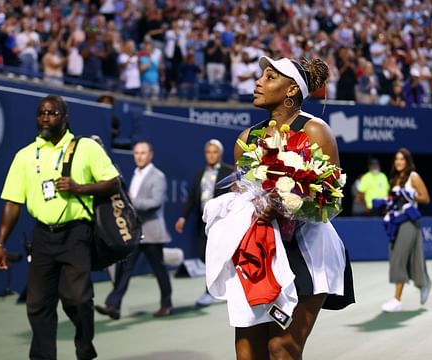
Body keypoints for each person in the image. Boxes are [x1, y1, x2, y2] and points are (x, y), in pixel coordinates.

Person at [229, 56, 355, 359]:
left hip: (307, 251)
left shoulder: (315, 131)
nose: (258, 82)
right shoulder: (246, 139)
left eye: (270, 77)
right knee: (247, 352)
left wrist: (287, 207)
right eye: (261, 76)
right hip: (259, 252)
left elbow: (333, 201)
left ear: (291, 91)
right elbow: (240, 194)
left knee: (282, 348)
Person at [0, 95, 120, 360]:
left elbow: (113, 183)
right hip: (42, 235)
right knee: (37, 305)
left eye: (52, 113)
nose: (45, 118)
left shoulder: (86, 147)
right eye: (41, 113)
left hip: (77, 234)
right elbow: (13, 202)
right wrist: (0, 243)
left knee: (77, 299)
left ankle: (84, 348)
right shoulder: (25, 156)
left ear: (65, 117)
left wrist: (79, 188)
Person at [95, 141, 173, 319]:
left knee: (159, 270)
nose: (139, 156)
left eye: (143, 153)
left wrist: (130, 201)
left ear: (150, 155)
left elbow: (154, 203)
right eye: (136, 153)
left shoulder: (158, 176)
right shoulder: (135, 173)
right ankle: (113, 305)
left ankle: (167, 304)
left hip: (152, 233)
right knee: (124, 269)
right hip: (135, 232)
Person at [174, 139, 233, 306]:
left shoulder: (229, 171)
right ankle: (214, 290)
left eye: (214, 152)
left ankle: (215, 291)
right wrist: (182, 217)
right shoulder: (199, 174)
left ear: (219, 154)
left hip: (223, 223)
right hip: (205, 224)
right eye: (208, 152)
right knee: (205, 256)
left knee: (224, 258)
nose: (211, 155)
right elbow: (192, 199)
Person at [381, 148, 432, 312]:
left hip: (410, 222)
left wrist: (409, 194)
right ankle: (424, 283)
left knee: (399, 257)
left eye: (402, 159)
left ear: (408, 161)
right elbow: (394, 201)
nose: (398, 162)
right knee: (410, 258)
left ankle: (397, 300)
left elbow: (425, 198)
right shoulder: (395, 178)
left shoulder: (413, 177)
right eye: (396, 159)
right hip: (396, 222)